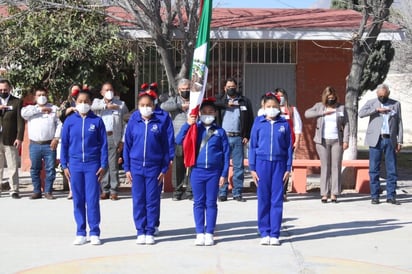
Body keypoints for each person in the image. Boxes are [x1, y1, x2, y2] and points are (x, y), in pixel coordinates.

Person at [176, 98, 230, 246]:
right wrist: (188, 124)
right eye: (204, 112)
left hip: (214, 172)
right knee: (198, 203)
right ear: (199, 114)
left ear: (215, 114)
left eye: (210, 112)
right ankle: (200, 232)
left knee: (211, 203)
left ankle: (210, 232)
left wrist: (224, 174)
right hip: (197, 171)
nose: (207, 115)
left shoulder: (220, 132)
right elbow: (179, 139)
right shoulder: (195, 129)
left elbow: (226, 154)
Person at [123, 91, 172, 245]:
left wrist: (164, 168)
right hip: (136, 168)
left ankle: (150, 230)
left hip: (154, 168)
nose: (145, 108)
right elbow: (127, 146)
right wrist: (127, 168)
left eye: (148, 105)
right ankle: (140, 230)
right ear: (138, 107)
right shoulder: (133, 121)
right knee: (138, 200)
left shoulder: (159, 122)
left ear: (153, 106)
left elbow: (166, 147)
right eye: (142, 105)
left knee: (152, 200)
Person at [60, 90, 108, 245]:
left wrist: (103, 163)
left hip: (92, 164)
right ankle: (80, 232)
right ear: (75, 102)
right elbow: (64, 144)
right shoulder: (69, 121)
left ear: (91, 103)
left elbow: (103, 145)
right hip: (74, 164)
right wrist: (64, 164)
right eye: (80, 101)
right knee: (78, 199)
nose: (83, 104)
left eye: (86, 101)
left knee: (92, 199)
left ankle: (94, 232)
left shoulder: (97, 121)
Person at [249, 94, 293, 246]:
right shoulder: (258, 123)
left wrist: (288, 167)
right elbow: (253, 146)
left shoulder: (284, 124)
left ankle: (275, 233)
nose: (272, 109)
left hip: (279, 165)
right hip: (262, 164)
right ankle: (264, 232)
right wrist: (252, 168)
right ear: (263, 108)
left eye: (275, 106)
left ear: (279, 107)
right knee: (263, 199)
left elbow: (288, 147)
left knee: (276, 200)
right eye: (268, 106)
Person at [359, 84, 403, 205]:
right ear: (377, 94)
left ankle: (391, 196)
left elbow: (399, 123)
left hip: (390, 139)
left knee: (392, 168)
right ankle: (375, 196)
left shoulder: (396, 104)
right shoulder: (371, 102)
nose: (382, 97)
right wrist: (376, 110)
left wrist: (400, 141)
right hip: (375, 139)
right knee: (374, 168)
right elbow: (361, 113)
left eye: (384, 95)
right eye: (380, 95)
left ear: (388, 94)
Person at [304, 86, 349, 203]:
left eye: (333, 97)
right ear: (325, 97)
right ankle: (324, 193)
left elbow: (347, 124)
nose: (331, 99)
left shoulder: (341, 108)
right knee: (325, 167)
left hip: (337, 141)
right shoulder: (319, 106)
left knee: (336, 167)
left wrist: (346, 140)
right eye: (329, 97)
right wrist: (323, 112)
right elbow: (307, 114)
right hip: (322, 141)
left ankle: (334, 193)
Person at [215, 78, 254, 202]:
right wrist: (227, 104)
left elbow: (250, 119)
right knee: (222, 165)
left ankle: (237, 193)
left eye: (233, 86)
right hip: (223, 137)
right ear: (224, 88)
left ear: (236, 87)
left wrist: (247, 135)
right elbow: (212, 104)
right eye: (228, 86)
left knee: (238, 167)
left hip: (238, 137)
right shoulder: (220, 100)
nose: (231, 88)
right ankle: (222, 192)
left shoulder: (244, 101)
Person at [21, 88, 61, 200]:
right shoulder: (30, 109)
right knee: (35, 168)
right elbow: (23, 114)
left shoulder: (54, 108)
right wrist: (41, 110)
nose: (41, 96)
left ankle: (48, 191)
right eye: (39, 95)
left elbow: (59, 124)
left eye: (44, 94)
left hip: (49, 144)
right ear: (35, 97)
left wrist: (56, 138)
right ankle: (37, 191)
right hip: (34, 144)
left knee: (50, 169)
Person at [91, 82, 128, 201]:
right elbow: (91, 108)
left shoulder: (121, 104)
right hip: (100, 138)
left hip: (114, 137)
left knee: (113, 165)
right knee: (103, 164)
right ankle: (104, 190)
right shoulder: (97, 103)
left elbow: (126, 122)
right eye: (106, 90)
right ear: (102, 92)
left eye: (111, 89)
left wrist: (122, 141)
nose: (109, 92)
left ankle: (114, 190)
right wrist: (106, 107)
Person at [160, 78, 193, 201]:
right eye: (183, 89)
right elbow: (163, 106)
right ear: (179, 90)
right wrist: (180, 106)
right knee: (178, 166)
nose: (185, 91)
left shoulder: (195, 100)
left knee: (192, 165)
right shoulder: (174, 100)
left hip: (193, 138)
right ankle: (177, 191)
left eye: (187, 89)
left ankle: (190, 191)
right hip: (178, 139)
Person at [274, 88, 303, 200]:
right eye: (278, 96)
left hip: (288, 143)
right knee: (276, 168)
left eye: (282, 96)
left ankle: (284, 192)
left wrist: (297, 141)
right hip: (276, 144)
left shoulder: (291, 109)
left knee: (286, 167)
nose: (280, 98)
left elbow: (298, 127)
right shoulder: (271, 109)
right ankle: (276, 191)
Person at [0, 79, 25, 199]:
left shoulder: (17, 101)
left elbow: (20, 121)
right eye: (1, 90)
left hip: (10, 137)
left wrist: (19, 138)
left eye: (5, 89)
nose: (3, 91)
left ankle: (14, 189)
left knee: (13, 165)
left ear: (10, 89)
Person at [58, 83, 82, 199]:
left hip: (81, 135)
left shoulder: (83, 101)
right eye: (74, 91)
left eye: (78, 91)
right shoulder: (66, 103)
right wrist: (71, 109)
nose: (76, 93)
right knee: (68, 163)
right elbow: (60, 114)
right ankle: (71, 189)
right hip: (69, 134)